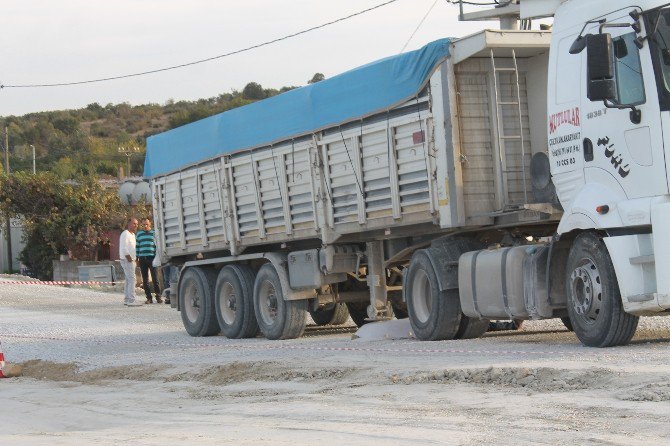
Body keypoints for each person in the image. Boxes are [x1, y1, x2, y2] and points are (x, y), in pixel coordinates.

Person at [136, 218, 162, 304]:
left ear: (150, 224)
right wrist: (137, 259)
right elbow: (137, 247)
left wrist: (157, 257)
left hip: (152, 258)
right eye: (143, 224)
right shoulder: (139, 234)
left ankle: (158, 296)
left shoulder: (154, 233)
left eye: (147, 224)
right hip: (143, 259)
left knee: (155, 278)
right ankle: (149, 298)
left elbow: (157, 246)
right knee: (145, 279)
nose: (145, 226)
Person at [119, 217, 142, 307]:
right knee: (132, 279)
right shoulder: (125, 234)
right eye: (134, 223)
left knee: (129, 280)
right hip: (127, 260)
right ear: (129, 224)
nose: (136, 225)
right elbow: (124, 247)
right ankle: (131, 300)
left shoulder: (132, 235)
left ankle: (127, 299)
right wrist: (129, 258)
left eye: (136, 224)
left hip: (132, 259)